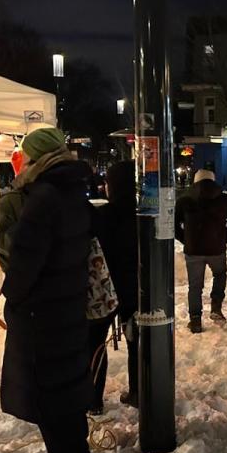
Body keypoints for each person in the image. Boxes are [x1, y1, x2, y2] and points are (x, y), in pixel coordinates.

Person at [0, 127, 95, 453]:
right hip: (67, 306)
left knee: (48, 394)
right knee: (65, 389)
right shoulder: (73, 193)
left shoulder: (43, 196)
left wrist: (14, 297)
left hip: (42, 312)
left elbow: (25, 261)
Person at [92, 161, 139, 410]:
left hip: (104, 289)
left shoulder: (102, 216)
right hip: (135, 289)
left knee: (96, 343)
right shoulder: (143, 215)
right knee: (137, 342)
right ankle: (139, 391)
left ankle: (93, 400)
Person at [175, 168, 227, 332]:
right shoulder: (224, 199)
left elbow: (174, 225)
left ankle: (196, 320)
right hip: (216, 249)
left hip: (193, 250)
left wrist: (187, 240)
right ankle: (216, 307)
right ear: (213, 181)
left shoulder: (184, 199)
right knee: (220, 275)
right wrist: (223, 238)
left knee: (195, 285)